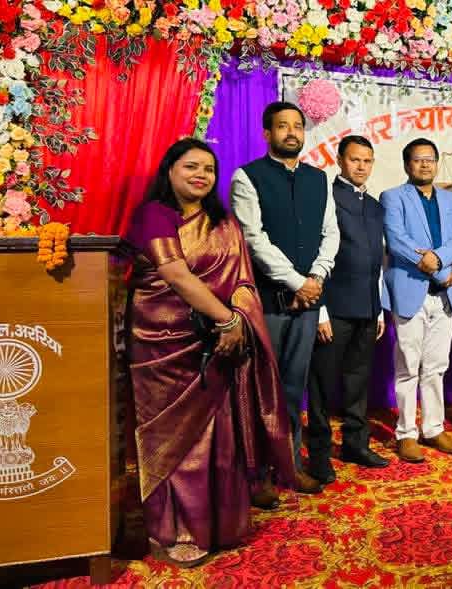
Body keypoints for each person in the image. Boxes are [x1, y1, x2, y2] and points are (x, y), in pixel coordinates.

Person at [125, 138, 296, 567]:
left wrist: (235, 317)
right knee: (174, 441)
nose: (201, 175)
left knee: (218, 438)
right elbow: (176, 275)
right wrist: (228, 319)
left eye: (209, 169)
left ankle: (218, 525)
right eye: (191, 167)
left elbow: (242, 279)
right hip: (164, 345)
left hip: (218, 344)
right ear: (169, 171)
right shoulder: (154, 215)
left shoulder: (223, 222)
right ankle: (173, 531)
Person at [231, 101, 339, 493]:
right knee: (262, 390)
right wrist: (297, 282)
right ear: (267, 133)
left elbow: (331, 232)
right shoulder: (248, 177)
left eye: (297, 126)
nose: (292, 132)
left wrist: (317, 276)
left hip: (307, 304)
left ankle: (289, 466)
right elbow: (253, 238)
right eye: (282, 126)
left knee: (294, 389)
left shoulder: (319, 179)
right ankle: (257, 475)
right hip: (268, 304)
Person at [306, 135, 390, 482]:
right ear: (340, 160)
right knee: (322, 385)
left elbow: (378, 261)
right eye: (355, 159)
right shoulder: (325, 198)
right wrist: (320, 310)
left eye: (367, 161)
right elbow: (314, 254)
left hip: (368, 307)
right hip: (334, 308)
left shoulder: (374, 205)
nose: (361, 166)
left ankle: (356, 444)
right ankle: (319, 453)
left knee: (358, 381)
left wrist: (379, 307)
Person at [381, 138, 452, 463]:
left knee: (436, 366)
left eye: (430, 159)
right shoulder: (393, 197)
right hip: (410, 291)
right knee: (408, 367)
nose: (425, 164)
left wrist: (441, 263)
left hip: (445, 294)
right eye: (418, 159)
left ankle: (433, 428)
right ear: (408, 164)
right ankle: (406, 433)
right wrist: (437, 269)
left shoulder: (450, 198)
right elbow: (396, 240)